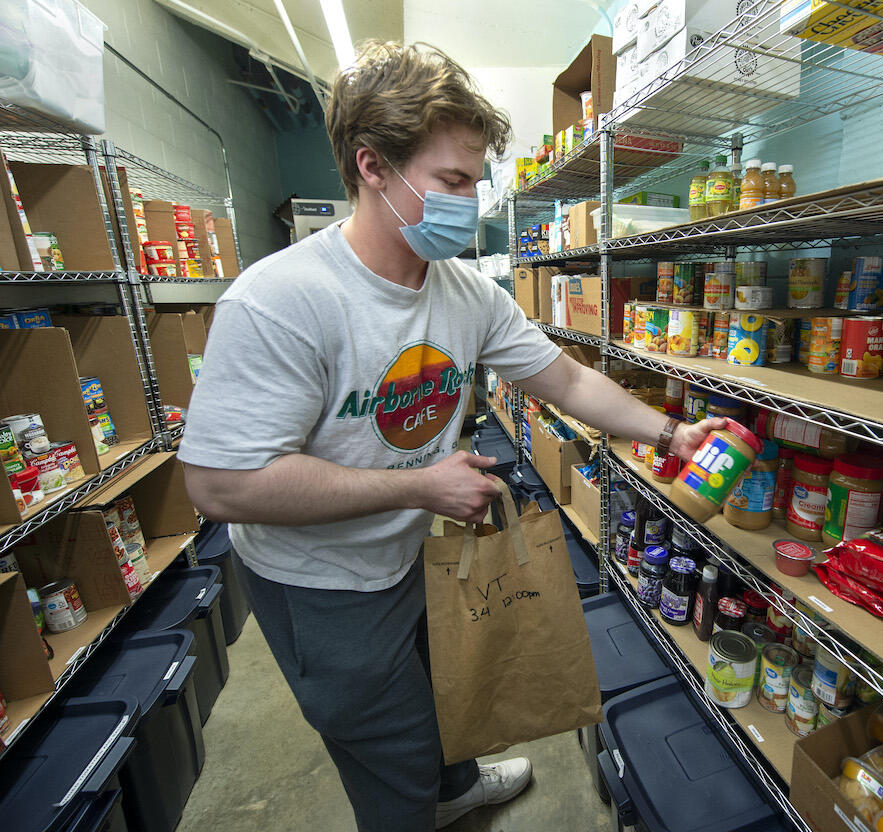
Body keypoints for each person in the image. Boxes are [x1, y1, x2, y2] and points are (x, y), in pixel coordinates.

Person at [178, 40, 726, 832]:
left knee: (448, 686)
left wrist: (671, 433)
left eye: (474, 182)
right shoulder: (281, 301)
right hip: (320, 582)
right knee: (389, 753)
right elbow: (221, 485)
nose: (467, 204)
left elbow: (566, 380)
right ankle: (417, 806)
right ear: (372, 167)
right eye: (452, 182)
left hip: (408, 550)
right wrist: (418, 485)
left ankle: (455, 790)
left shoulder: (463, 294)